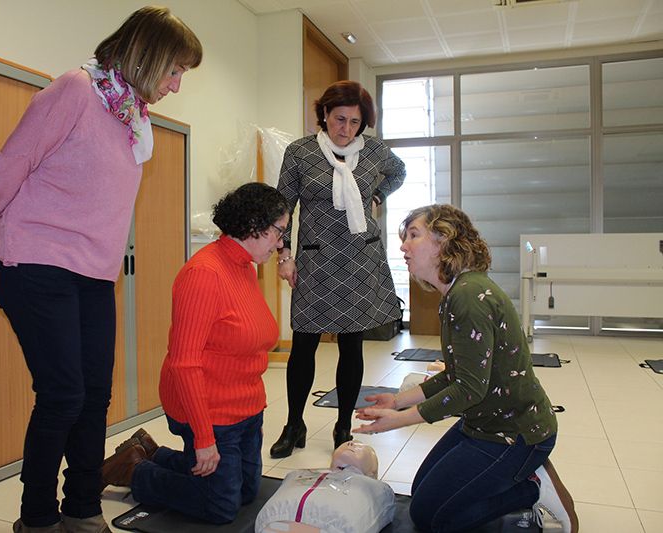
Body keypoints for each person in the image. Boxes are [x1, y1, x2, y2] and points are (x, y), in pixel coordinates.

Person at [0, 7, 202, 533]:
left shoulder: (130, 115)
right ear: (147, 56)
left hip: (93, 272)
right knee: (62, 394)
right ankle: (36, 517)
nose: (175, 85)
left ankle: (81, 507)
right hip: (35, 260)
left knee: (94, 395)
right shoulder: (76, 90)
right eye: (174, 71)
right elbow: (9, 165)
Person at [354, 204, 579, 533]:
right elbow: (455, 374)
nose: (403, 246)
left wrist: (398, 420)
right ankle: (517, 479)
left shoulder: (468, 296)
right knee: (422, 497)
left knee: (433, 517)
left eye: (414, 235)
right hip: (485, 423)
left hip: (515, 435)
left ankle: (531, 488)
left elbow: (468, 390)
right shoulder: (457, 292)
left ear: (443, 240)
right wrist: (398, 401)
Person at [100, 182, 290, 524]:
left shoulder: (245, 266)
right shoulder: (204, 274)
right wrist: (203, 437)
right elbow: (184, 364)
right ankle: (135, 469)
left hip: (244, 408)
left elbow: (246, 344)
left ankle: (154, 452)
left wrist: (254, 413)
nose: (281, 244)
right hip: (208, 410)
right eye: (279, 232)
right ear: (254, 226)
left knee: (247, 492)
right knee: (220, 507)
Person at [271, 80, 406, 458]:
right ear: (324, 116)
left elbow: (398, 172)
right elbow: (284, 206)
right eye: (338, 118)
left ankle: (343, 423)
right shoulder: (300, 152)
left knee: (352, 346)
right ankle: (294, 424)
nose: (345, 129)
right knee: (303, 345)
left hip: (360, 260)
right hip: (315, 260)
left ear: (363, 125)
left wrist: (378, 193)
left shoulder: (375, 152)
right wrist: (283, 254)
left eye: (353, 122)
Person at [255, 441, 396, 533]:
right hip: (274, 520)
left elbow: (382, 507)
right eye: (348, 443)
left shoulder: (373, 490)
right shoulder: (300, 475)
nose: (352, 444)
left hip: (332, 526)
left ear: (372, 473)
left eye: (359, 447)